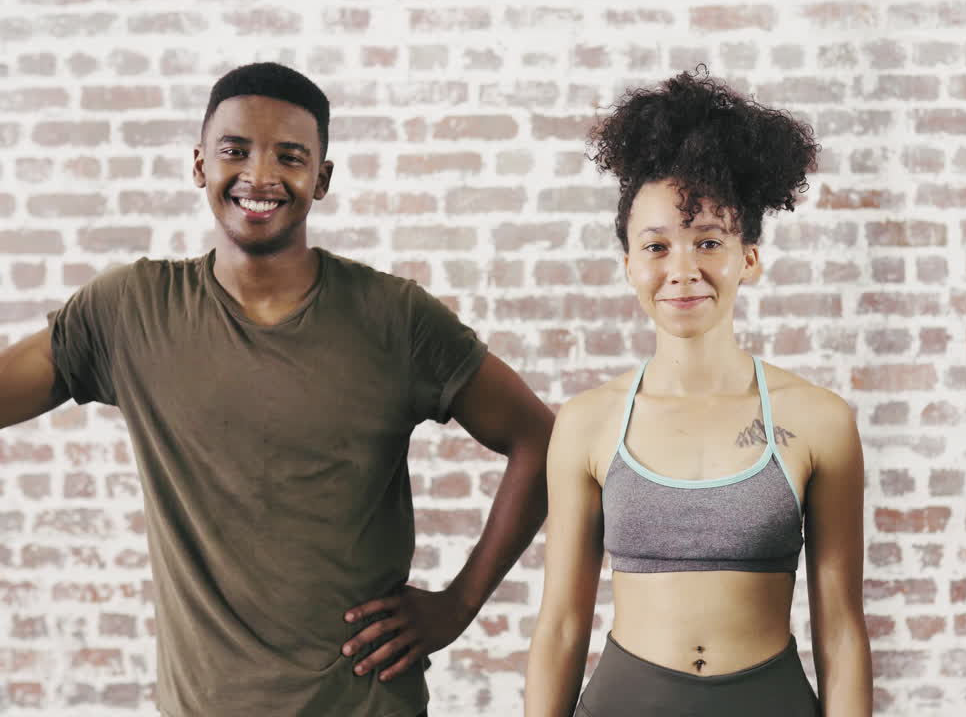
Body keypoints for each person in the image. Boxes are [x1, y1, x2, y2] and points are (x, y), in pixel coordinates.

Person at [0, 62, 554, 717]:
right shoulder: (128, 311)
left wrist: (459, 604)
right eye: (236, 151)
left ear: (321, 179)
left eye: (289, 157)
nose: (260, 176)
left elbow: (542, 439)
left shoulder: (394, 317)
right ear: (200, 164)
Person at [523, 68, 872, 717]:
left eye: (708, 241)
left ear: (749, 257)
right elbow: (561, 627)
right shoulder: (587, 423)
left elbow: (843, 630)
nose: (683, 269)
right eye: (656, 246)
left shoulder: (819, 422)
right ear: (629, 264)